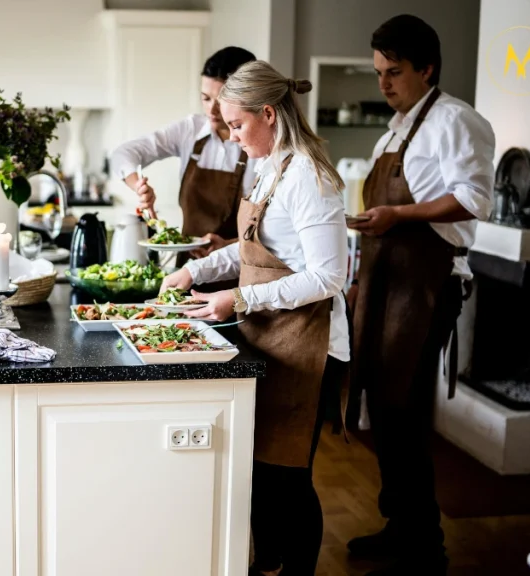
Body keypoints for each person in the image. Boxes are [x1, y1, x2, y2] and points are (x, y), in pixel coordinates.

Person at [161, 60, 350, 576]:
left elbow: (330, 276)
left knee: (289, 479)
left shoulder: (310, 177)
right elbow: (248, 251)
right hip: (271, 337)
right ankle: (267, 564)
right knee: (261, 474)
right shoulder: (270, 166)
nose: (232, 136)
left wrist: (238, 301)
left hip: (309, 347)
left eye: (238, 125)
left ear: (269, 113)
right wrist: (196, 270)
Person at [346, 14, 495, 576]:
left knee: (404, 414)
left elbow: (475, 198)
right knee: (382, 412)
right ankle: (399, 526)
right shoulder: (395, 131)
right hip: (386, 282)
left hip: (428, 285)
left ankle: (425, 547)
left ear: (427, 68)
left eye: (395, 72)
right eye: (379, 72)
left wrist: (398, 214)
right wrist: (363, 273)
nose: (383, 84)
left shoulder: (457, 120)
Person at [109, 46, 258, 268]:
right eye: (206, 98)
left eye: (221, 100)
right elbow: (123, 154)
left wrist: (227, 246)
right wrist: (139, 186)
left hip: (237, 269)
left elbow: (273, 234)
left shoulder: (259, 147)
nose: (212, 110)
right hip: (187, 270)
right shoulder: (190, 130)